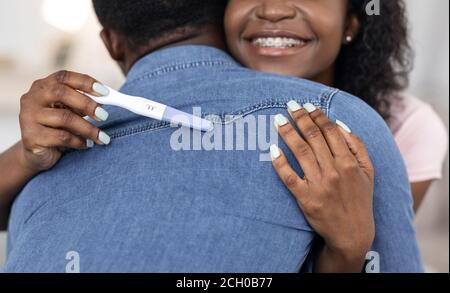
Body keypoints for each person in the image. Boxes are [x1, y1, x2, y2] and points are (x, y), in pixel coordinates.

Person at [1, 0, 422, 272]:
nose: (274, 10)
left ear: (112, 44)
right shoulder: (338, 122)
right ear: (224, 15)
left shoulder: (41, 166)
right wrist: (346, 253)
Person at [224, 0, 448, 213]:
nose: (273, 10)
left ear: (349, 24)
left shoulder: (408, 126)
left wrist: (347, 237)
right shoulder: (193, 120)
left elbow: (380, 250)